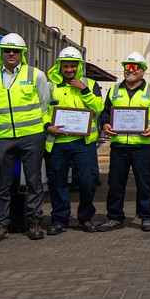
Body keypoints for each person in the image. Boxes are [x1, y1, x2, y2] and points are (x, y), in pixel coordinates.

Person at [0, 33, 51, 242]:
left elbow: (44, 103)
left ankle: (34, 221)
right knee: (2, 183)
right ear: (1, 52)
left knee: (33, 180)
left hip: (31, 136)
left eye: (15, 51)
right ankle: (1, 224)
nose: (11, 54)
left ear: (22, 54)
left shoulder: (36, 75)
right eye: (7, 50)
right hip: (3, 138)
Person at [97, 52, 150, 232]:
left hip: (141, 146)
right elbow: (105, 112)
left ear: (143, 71)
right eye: (128, 66)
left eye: (135, 67)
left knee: (144, 183)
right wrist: (104, 124)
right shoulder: (114, 90)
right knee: (115, 183)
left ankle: (146, 216)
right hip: (119, 145)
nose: (131, 70)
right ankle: (114, 217)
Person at [44, 46, 105, 234]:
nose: (69, 70)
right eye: (65, 66)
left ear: (79, 66)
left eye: (73, 66)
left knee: (88, 180)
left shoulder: (90, 84)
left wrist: (84, 90)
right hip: (57, 142)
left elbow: (99, 107)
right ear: (60, 67)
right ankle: (60, 219)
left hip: (83, 144)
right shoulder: (49, 86)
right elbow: (42, 111)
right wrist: (48, 126)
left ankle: (85, 217)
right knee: (57, 182)